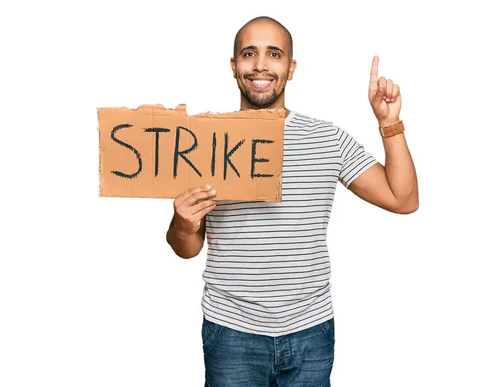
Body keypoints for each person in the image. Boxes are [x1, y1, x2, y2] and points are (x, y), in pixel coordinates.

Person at [166, 15, 418, 387]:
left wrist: (389, 124)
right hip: (231, 331)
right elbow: (185, 249)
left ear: (291, 67)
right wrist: (183, 224)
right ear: (234, 66)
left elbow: (403, 199)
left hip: (310, 331)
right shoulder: (205, 141)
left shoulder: (327, 138)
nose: (261, 65)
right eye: (249, 54)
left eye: (274, 54)